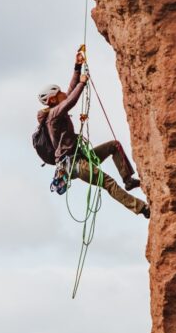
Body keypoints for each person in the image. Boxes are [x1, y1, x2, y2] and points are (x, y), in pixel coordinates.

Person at [37, 49, 150, 218]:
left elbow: (69, 93)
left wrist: (77, 67)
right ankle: (142, 208)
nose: (63, 94)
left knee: (114, 145)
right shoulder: (53, 115)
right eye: (59, 93)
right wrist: (82, 83)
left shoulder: (56, 110)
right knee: (108, 183)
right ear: (52, 99)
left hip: (79, 157)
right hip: (74, 163)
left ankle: (128, 180)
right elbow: (71, 100)